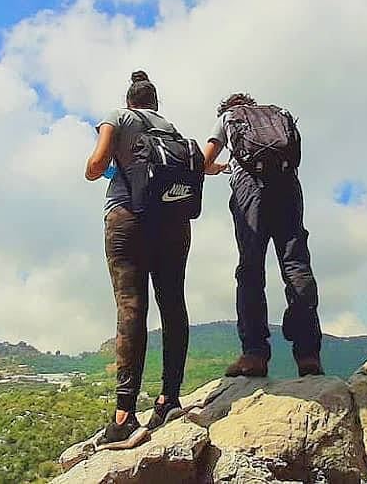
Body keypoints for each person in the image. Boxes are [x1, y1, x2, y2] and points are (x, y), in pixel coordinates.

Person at [85, 71, 191, 449]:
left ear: (131, 100)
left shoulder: (118, 116)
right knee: (173, 305)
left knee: (131, 307)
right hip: (174, 223)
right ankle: (170, 400)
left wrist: (96, 167)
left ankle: (125, 416)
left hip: (128, 218)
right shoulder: (172, 129)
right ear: (155, 102)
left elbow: (96, 166)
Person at [203, 92, 324, 378]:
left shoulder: (228, 118)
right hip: (288, 186)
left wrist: (220, 168)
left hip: (250, 188)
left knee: (251, 269)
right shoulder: (278, 114)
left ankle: (255, 354)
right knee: (296, 266)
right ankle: (308, 355)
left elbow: (203, 161)